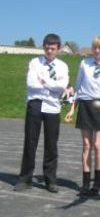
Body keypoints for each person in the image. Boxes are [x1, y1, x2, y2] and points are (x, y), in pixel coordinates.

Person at [65, 36, 100, 196]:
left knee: (98, 145)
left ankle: (97, 184)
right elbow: (78, 88)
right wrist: (71, 109)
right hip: (85, 105)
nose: (97, 51)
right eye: (95, 47)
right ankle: (85, 184)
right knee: (86, 145)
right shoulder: (84, 63)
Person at [14, 34, 69, 193]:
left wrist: (45, 81)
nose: (49, 51)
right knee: (30, 142)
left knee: (51, 145)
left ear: (58, 49)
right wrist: (53, 86)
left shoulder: (62, 66)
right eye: (47, 47)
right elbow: (31, 84)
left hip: (53, 107)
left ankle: (50, 180)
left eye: (53, 48)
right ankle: (25, 179)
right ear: (43, 47)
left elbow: (62, 87)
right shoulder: (34, 62)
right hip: (35, 105)